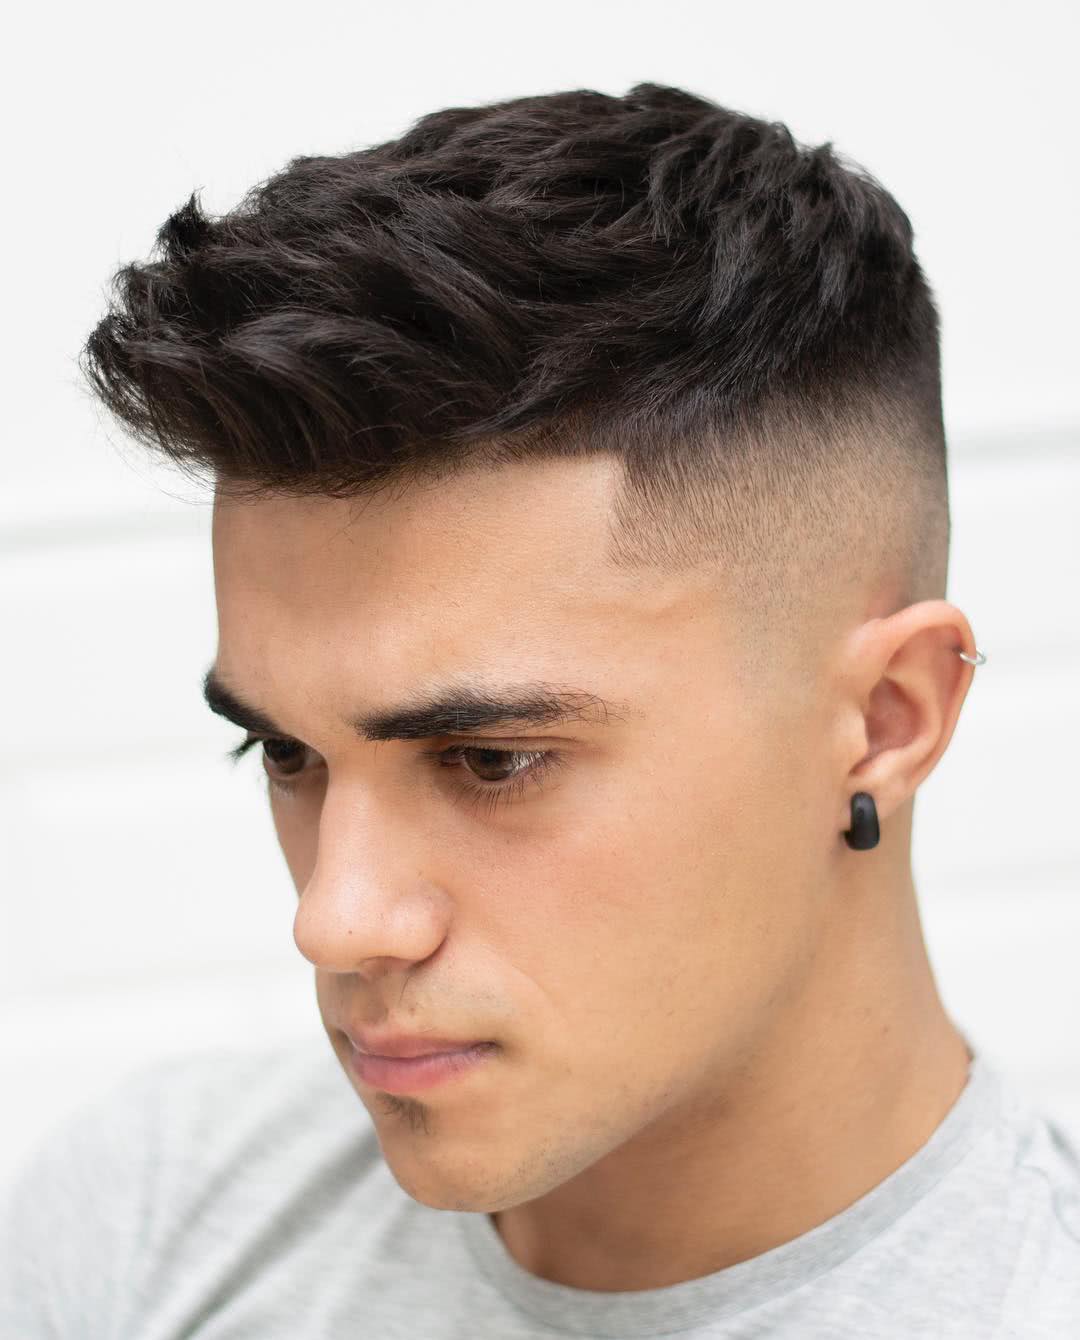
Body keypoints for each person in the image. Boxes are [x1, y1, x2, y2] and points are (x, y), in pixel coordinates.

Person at [2, 80, 1077, 1337]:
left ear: (888, 718)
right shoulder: (149, 1219)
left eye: (492, 758)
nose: (334, 921)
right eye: (285, 749)